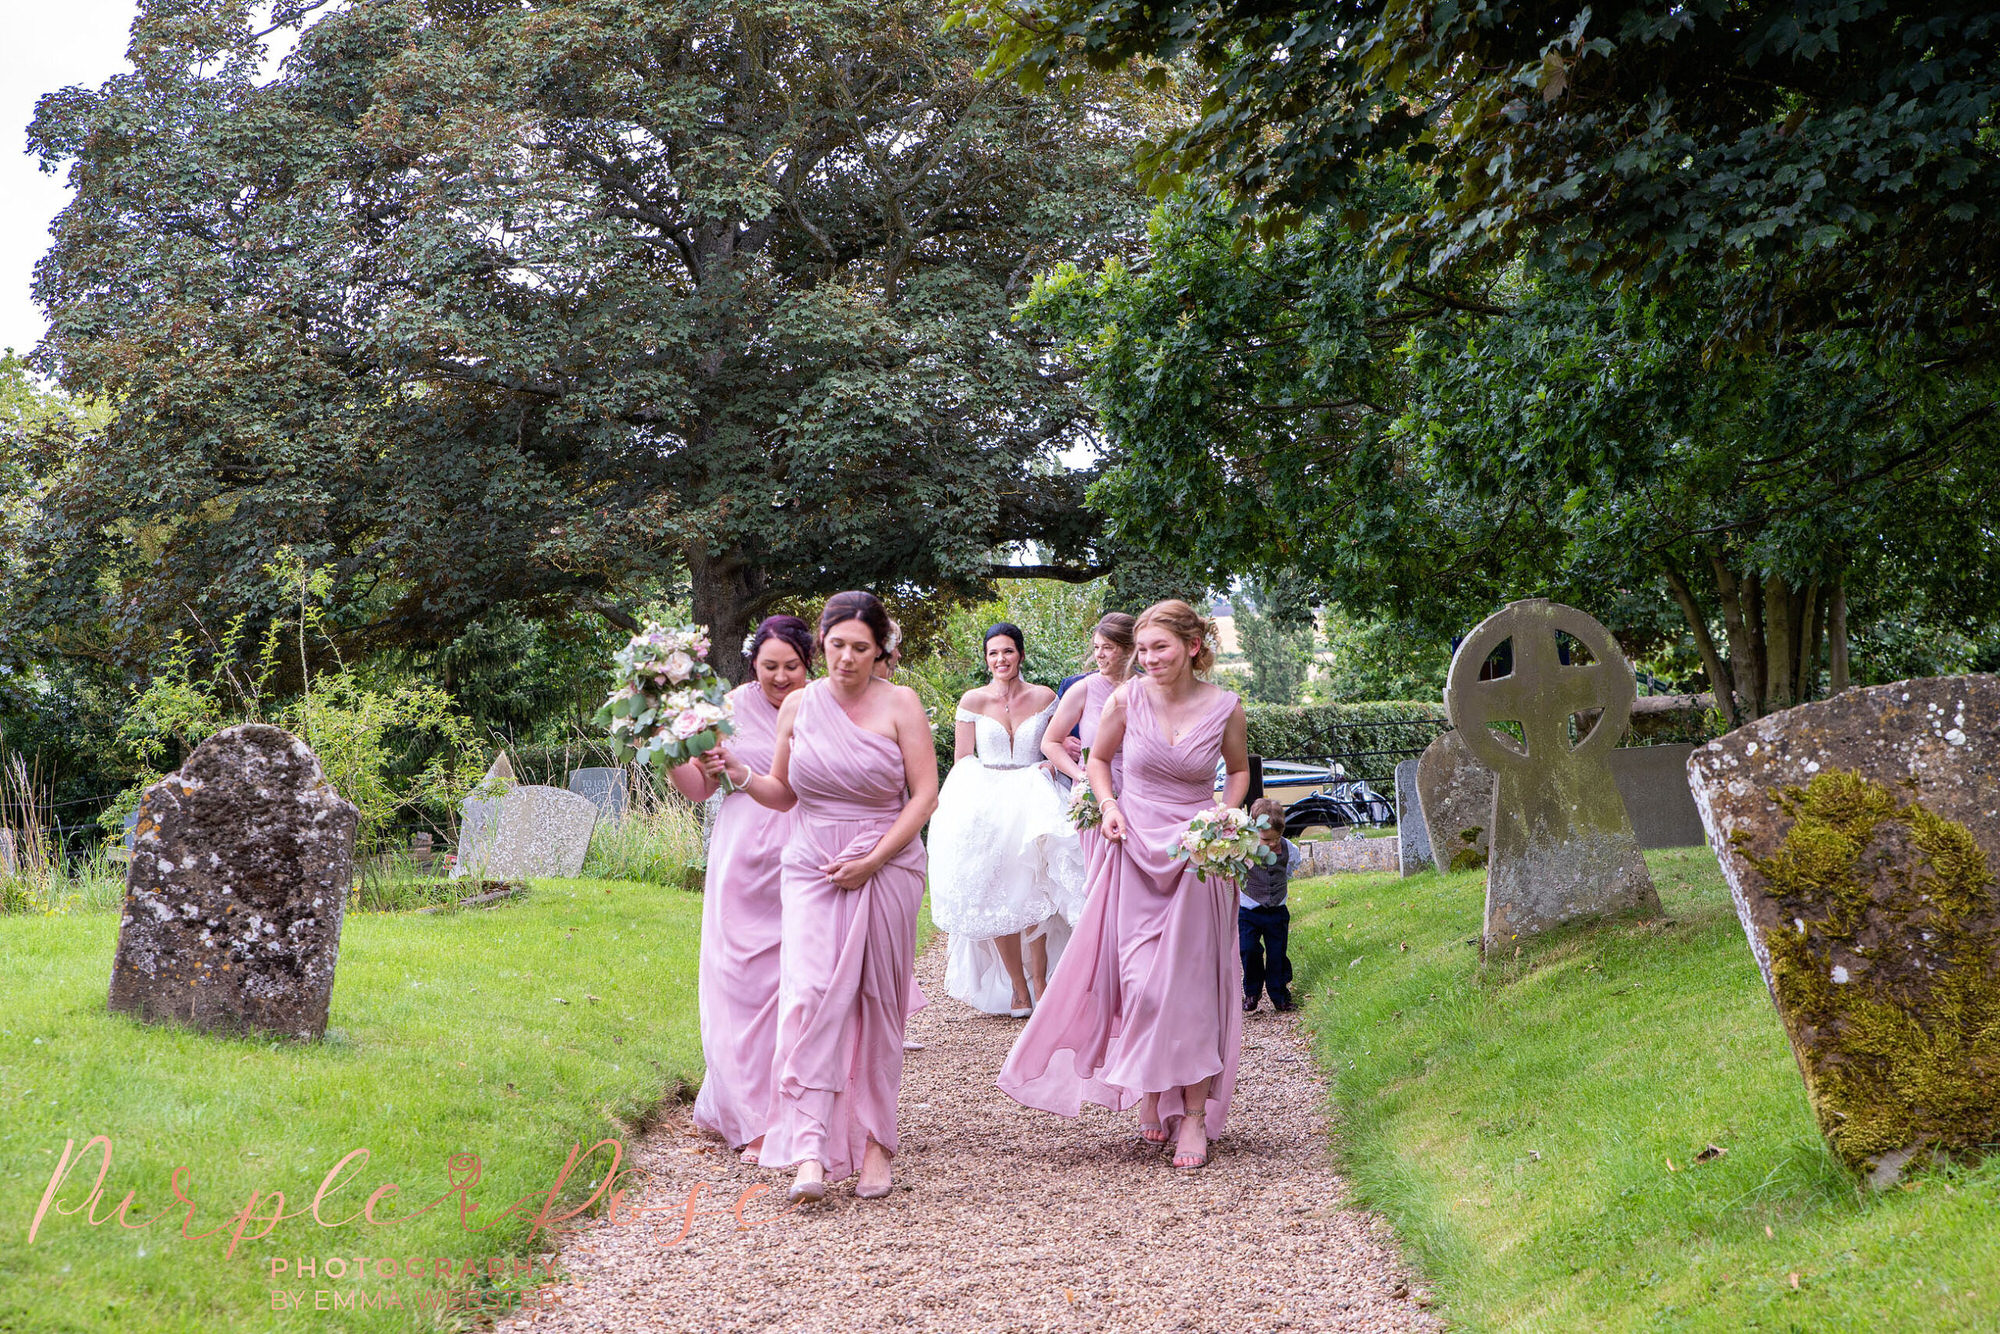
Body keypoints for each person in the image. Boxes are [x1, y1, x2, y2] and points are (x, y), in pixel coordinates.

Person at [999, 599, 1251, 1172]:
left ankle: (1190, 1114)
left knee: (1189, 988)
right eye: (1143, 649)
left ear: (1192, 646)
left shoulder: (1226, 707)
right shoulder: (1123, 698)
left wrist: (1222, 816)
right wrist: (1108, 805)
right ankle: (1156, 1091)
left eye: (1160, 647)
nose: (1149, 658)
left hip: (1195, 855)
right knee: (1142, 986)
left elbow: (1237, 772)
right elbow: (1097, 759)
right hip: (1133, 850)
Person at [713, 591, 938, 1203]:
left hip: (886, 866)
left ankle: (876, 1146)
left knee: (876, 1004)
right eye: (836, 645)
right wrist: (738, 771)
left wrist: (873, 859)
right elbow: (783, 793)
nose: (846, 658)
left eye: (860, 648)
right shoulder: (801, 706)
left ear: (880, 649)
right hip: (810, 865)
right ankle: (809, 1146)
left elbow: (923, 797)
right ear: (822, 644)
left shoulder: (902, 705)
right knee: (807, 997)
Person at [671, 616, 815, 1167]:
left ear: (809, 663)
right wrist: (672, 748)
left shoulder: (824, 705)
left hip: (807, 855)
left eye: (791, 667)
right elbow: (696, 790)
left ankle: (794, 1113)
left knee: (794, 991)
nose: (780, 677)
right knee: (741, 992)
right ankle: (752, 1117)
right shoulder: (726, 708)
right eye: (769, 666)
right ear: (753, 663)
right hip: (742, 861)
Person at [928, 623, 1087, 1016]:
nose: (1001, 659)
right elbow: (963, 759)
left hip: (1035, 795)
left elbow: (1052, 745)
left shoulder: (1045, 697)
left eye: (1008, 651)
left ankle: (1042, 981)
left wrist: (1055, 762)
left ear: (1020, 654)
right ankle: (1018, 988)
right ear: (986, 658)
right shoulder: (973, 700)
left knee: (1037, 888)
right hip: (989, 800)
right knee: (995, 890)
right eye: (993, 653)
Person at [872, 618, 930, 1053]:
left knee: (892, 942)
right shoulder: (817, 702)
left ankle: (889, 1022)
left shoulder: (902, 703)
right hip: (831, 841)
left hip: (896, 839)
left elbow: (921, 790)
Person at [1041, 612, 1137, 806]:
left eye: (1108, 648)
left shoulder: (1148, 689)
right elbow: (1050, 742)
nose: (1099, 655)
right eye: (1096, 647)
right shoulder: (1082, 690)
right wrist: (1082, 776)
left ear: (1130, 650)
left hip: (1140, 790)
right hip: (1094, 795)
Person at [1240, 796, 1303, 1014]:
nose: (1272, 844)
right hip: (1249, 908)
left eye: (1276, 839)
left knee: (1277, 953)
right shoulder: (1243, 848)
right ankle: (1252, 991)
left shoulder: (1288, 848)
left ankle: (1279, 994)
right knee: (1249, 950)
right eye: (1266, 840)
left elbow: (1291, 866)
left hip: (1277, 910)